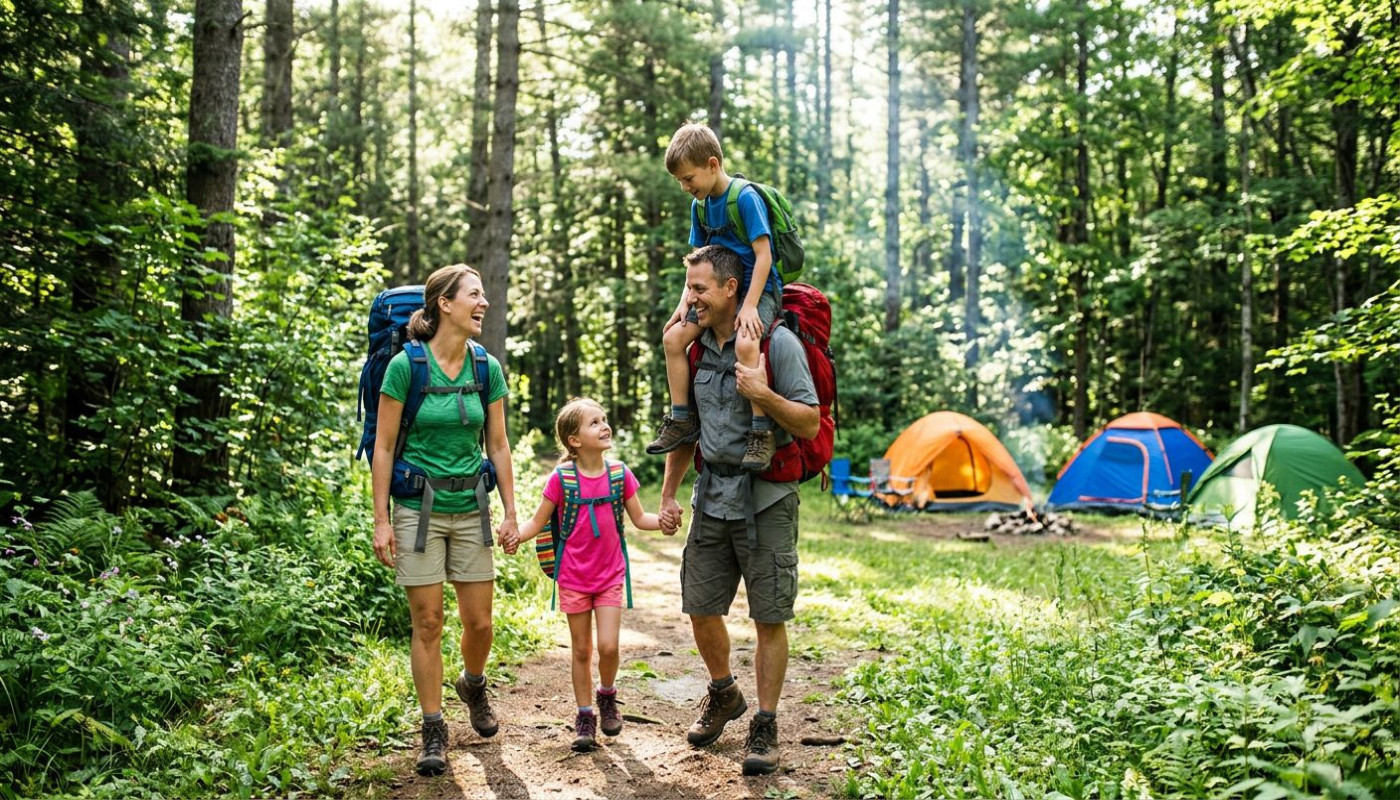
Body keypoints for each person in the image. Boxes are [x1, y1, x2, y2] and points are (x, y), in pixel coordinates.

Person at [657, 245, 818, 776]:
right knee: (700, 606)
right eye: (689, 288)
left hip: (768, 497)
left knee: (769, 616)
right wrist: (668, 494)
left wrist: (763, 396)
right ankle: (724, 693)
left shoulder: (779, 344)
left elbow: (809, 423)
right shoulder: (694, 348)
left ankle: (766, 723)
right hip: (712, 496)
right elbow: (686, 430)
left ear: (731, 289)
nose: (690, 298)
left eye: (699, 289)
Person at [370, 263, 520, 777]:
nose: (483, 304)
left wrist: (511, 511)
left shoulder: (486, 368)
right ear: (444, 304)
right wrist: (381, 519)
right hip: (417, 511)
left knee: (480, 623)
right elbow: (384, 448)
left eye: (483, 295)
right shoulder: (404, 368)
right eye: (474, 296)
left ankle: (473, 683)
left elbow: (497, 444)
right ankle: (433, 728)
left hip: (472, 507)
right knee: (428, 622)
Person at [510, 398, 677, 753]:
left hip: (610, 575)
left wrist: (661, 523)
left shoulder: (619, 474)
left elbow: (639, 518)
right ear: (574, 440)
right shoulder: (561, 479)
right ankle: (584, 716)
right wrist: (513, 534)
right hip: (572, 576)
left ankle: (607, 695)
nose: (605, 426)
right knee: (582, 650)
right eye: (594, 423)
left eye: (604, 420)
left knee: (609, 646)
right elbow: (537, 522)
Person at [647, 122, 784, 473]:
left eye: (688, 178)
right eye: (679, 181)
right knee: (673, 337)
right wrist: (685, 302)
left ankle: (760, 431)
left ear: (712, 164)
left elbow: (764, 256)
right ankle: (681, 419)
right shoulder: (701, 207)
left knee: (746, 343)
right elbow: (697, 261)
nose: (684, 187)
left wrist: (750, 305)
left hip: (758, 288)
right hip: (716, 290)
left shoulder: (745, 198)